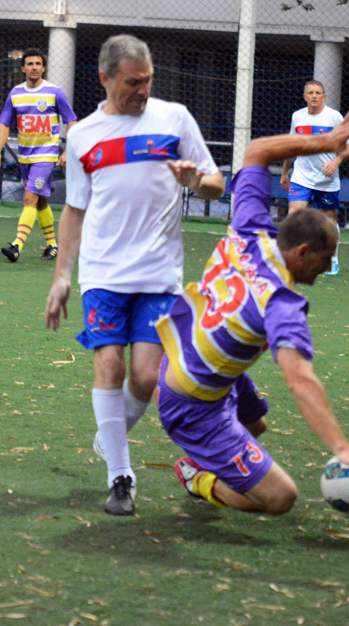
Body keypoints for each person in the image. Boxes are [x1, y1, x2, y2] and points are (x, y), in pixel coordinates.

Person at [155, 112, 349, 516]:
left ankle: (218, 451)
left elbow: (257, 150)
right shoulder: (280, 303)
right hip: (190, 400)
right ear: (303, 253)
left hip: (191, 358)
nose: (327, 266)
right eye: (326, 258)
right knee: (281, 498)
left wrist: (325, 142)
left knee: (257, 425)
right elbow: (300, 381)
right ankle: (197, 475)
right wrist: (342, 448)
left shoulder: (249, 228)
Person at [45, 34, 224, 516]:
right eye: (131, 82)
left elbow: (215, 182)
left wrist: (195, 183)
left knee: (145, 378)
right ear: (105, 79)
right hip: (102, 272)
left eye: (146, 81)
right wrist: (63, 277)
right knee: (110, 366)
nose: (141, 91)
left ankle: (112, 435)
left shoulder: (175, 118)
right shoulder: (82, 133)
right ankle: (120, 477)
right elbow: (74, 209)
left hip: (159, 275)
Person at [0, 49, 77, 263]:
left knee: (29, 198)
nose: (34, 67)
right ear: (23, 68)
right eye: (29, 64)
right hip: (25, 158)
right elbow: (4, 124)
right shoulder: (15, 94)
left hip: (46, 157)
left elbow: (72, 121)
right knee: (40, 201)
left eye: (38, 63)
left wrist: (67, 151)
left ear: (43, 67)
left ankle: (16, 246)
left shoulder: (54, 92)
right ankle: (53, 246)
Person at [280, 81, 349, 276]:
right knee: (293, 214)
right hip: (301, 176)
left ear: (324, 97)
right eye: (310, 93)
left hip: (326, 180)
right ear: (305, 96)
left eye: (318, 93)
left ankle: (332, 259)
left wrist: (336, 162)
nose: (314, 96)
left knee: (328, 219)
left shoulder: (334, 117)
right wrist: (284, 172)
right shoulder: (297, 117)